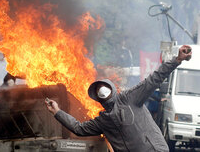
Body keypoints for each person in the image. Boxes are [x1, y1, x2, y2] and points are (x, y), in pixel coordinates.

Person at [45, 45, 192, 151]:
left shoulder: (129, 98)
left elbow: (78, 128)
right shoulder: (104, 119)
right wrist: (57, 112)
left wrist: (57, 112)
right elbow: (154, 79)